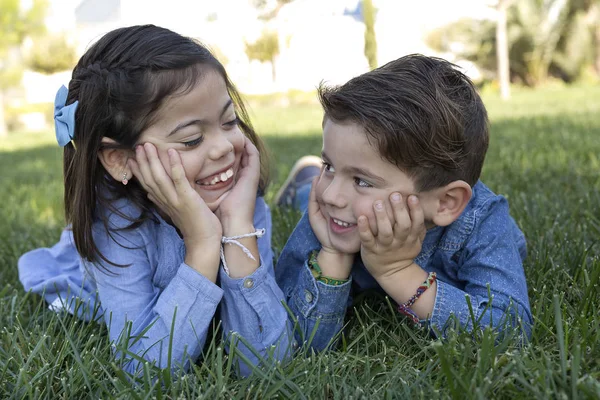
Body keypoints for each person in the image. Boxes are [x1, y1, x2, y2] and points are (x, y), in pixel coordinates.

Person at [18, 24, 291, 377]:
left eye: (229, 121)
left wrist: (238, 226)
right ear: (120, 159)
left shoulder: (238, 196)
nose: (225, 147)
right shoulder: (115, 227)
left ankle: (300, 187)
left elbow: (267, 362)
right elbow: (144, 366)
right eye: (192, 140)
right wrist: (203, 244)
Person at [274, 54, 532, 351]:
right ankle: (306, 181)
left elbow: (510, 332)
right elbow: (292, 340)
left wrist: (396, 272)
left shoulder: (482, 220)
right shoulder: (332, 211)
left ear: (446, 203)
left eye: (362, 181)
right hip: (346, 216)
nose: (332, 195)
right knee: (314, 194)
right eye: (328, 165)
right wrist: (333, 252)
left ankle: (308, 178)